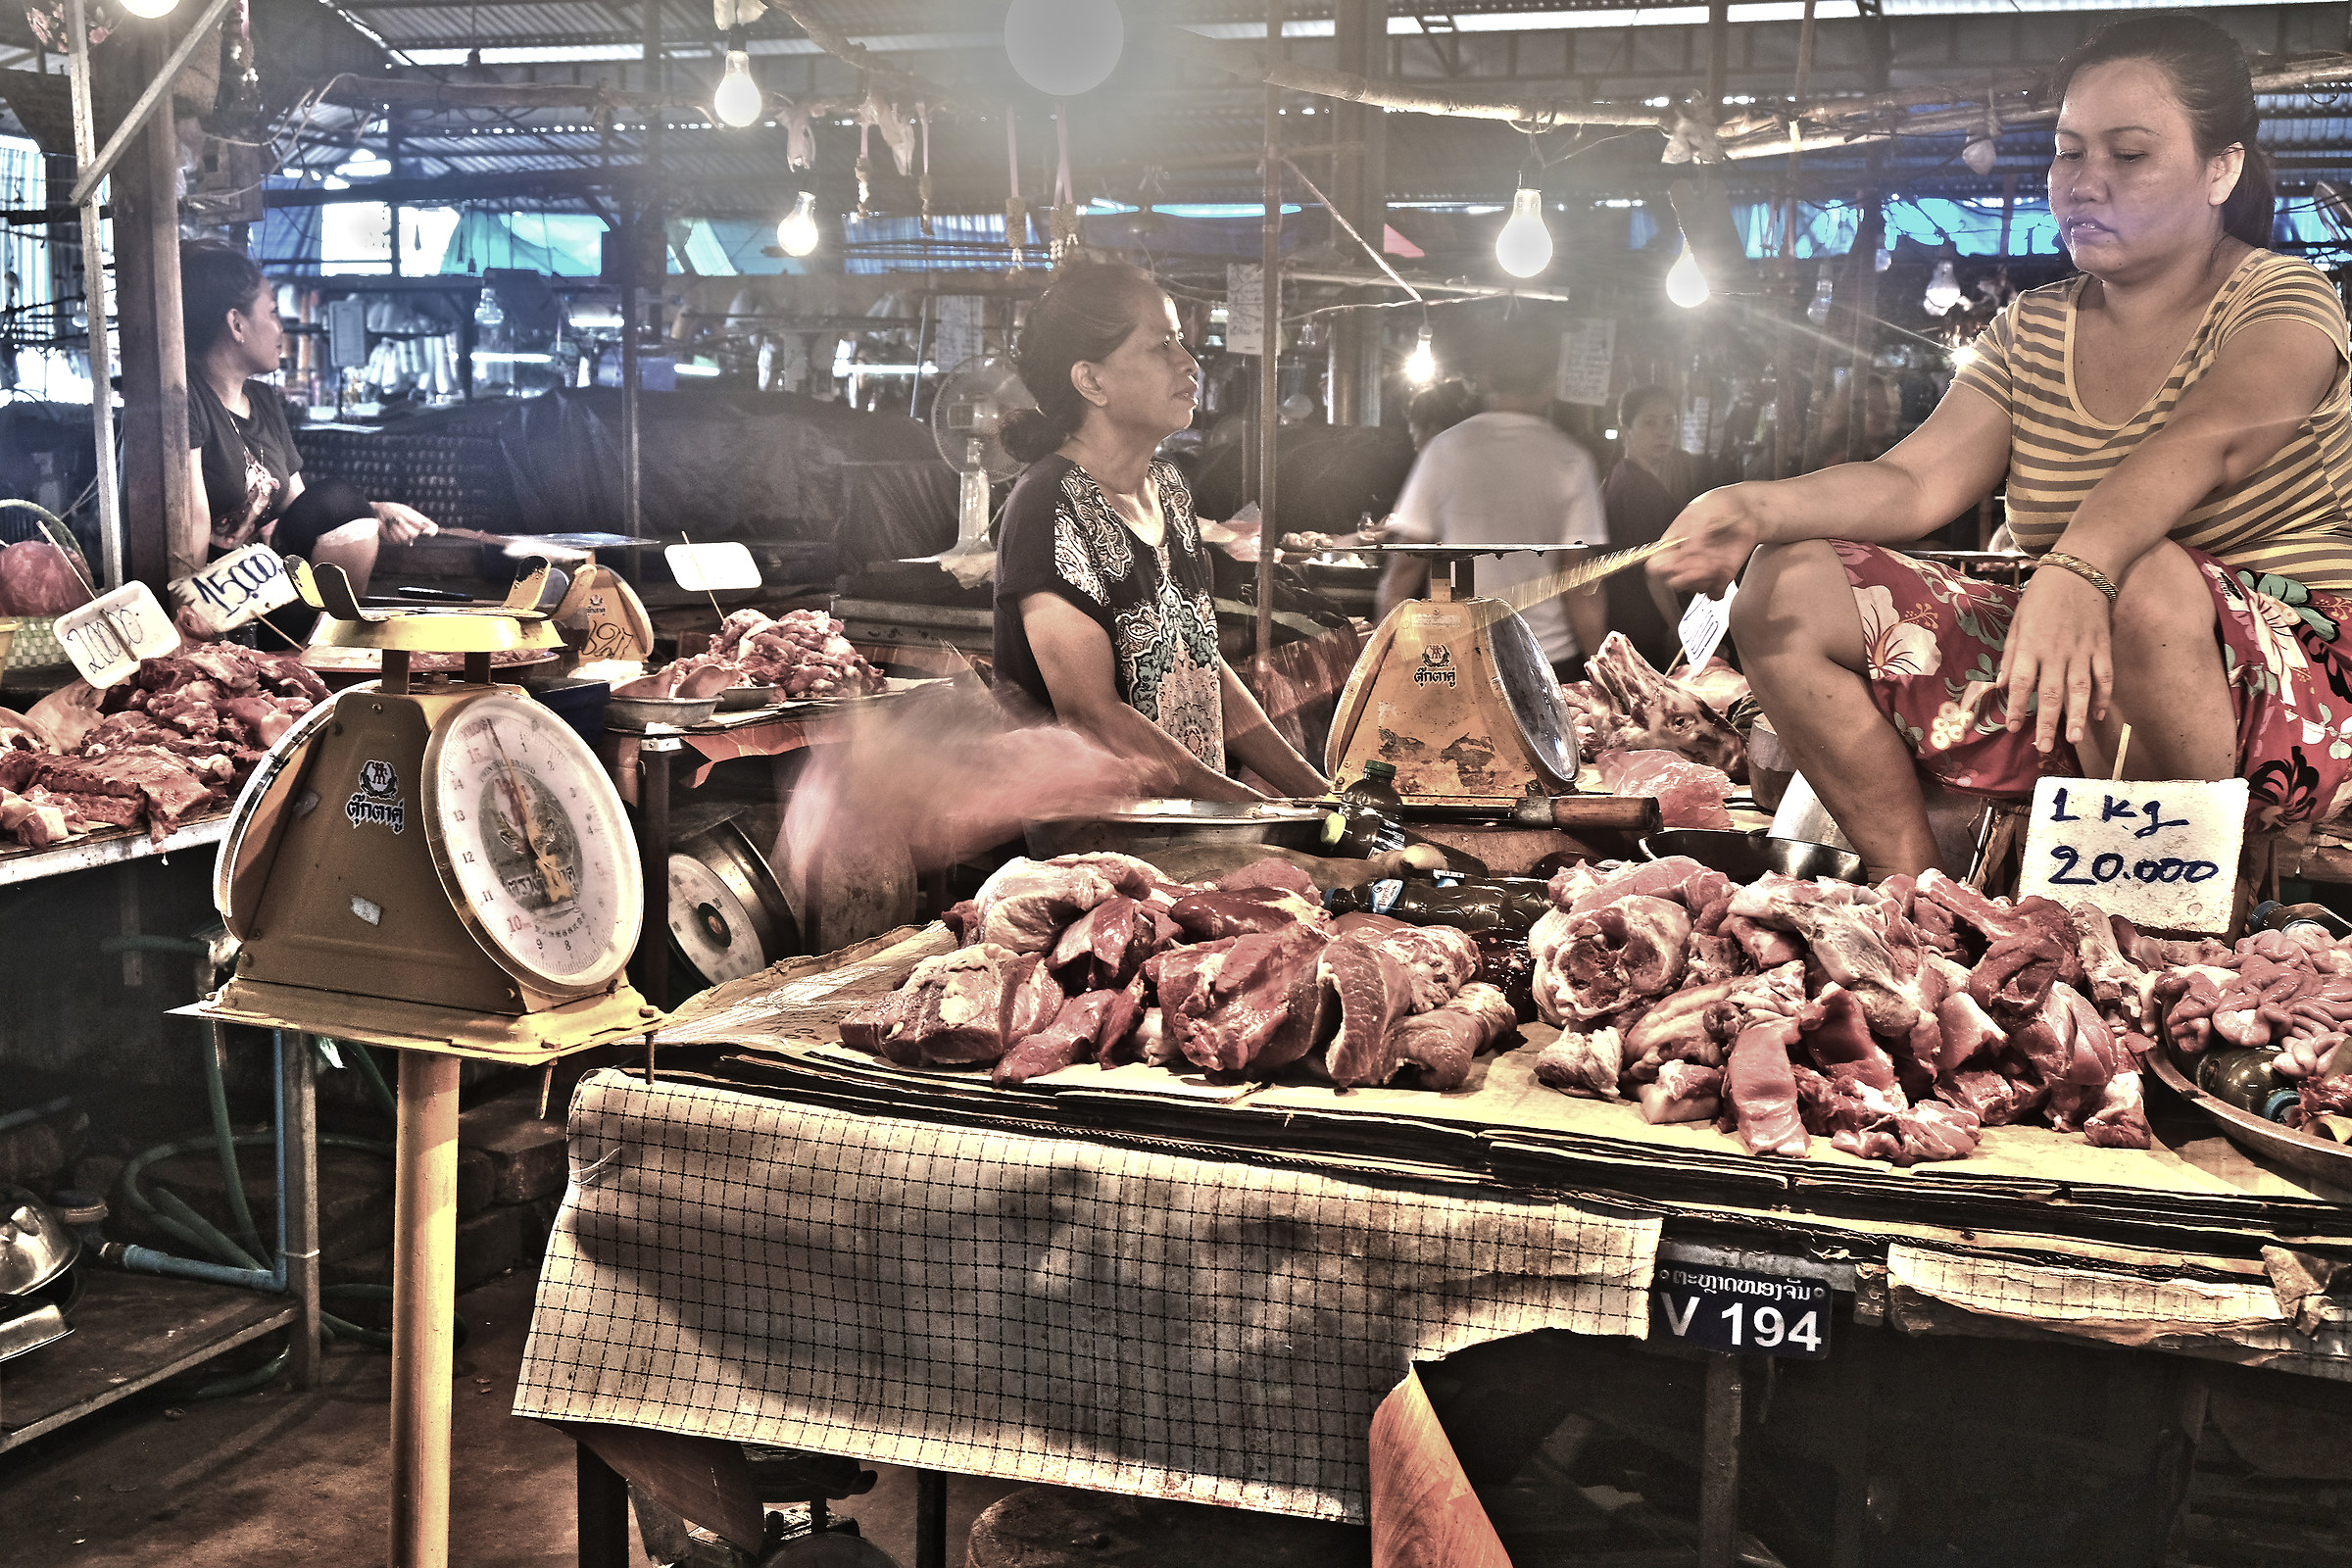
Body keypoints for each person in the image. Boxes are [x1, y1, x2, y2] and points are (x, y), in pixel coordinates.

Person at [1651, 15, 2352, 878]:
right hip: (2075, 665)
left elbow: (2212, 441)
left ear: (2222, 168)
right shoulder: (2032, 329)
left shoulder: (2285, 297)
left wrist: (2080, 567)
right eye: (2068, 152)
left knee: (2147, 579)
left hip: (2300, 688)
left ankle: (2164, 925)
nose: (2084, 183)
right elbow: (1915, 481)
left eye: (2129, 154)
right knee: (1788, 582)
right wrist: (1754, 506)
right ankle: (1914, 900)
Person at [992, 261, 1328, 803]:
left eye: (1181, 342)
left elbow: (1204, 667)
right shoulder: (1046, 505)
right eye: (1162, 345)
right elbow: (1093, 714)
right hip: (1104, 839)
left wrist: (1319, 796)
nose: (1189, 362)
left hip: (1199, 829)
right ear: (1091, 381)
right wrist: (1255, 812)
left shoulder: (1169, 488)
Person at [182, 242, 437, 600]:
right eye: (272, 313)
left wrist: (371, 512)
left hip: (273, 579)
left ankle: (330, 624)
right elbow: (191, 522)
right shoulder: (189, 401)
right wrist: (187, 609)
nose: (280, 328)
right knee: (341, 501)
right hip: (223, 594)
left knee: (343, 501)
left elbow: (299, 506)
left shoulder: (263, 400)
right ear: (236, 324)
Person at [1377, 324, 1609, 680]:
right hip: (1545, 659)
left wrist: (1379, 665)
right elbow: (1580, 583)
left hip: (1460, 658)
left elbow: (1405, 569)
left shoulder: (1445, 450)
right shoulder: (1571, 461)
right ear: (1552, 383)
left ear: (1486, 379)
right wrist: (1605, 677)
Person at [1600, 385, 1688, 668]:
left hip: (1626, 621)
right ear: (1625, 429)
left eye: (1669, 421)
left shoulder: (1621, 475)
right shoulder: (1638, 488)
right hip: (1645, 626)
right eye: (1650, 423)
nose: (1662, 432)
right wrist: (1680, 630)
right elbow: (1654, 570)